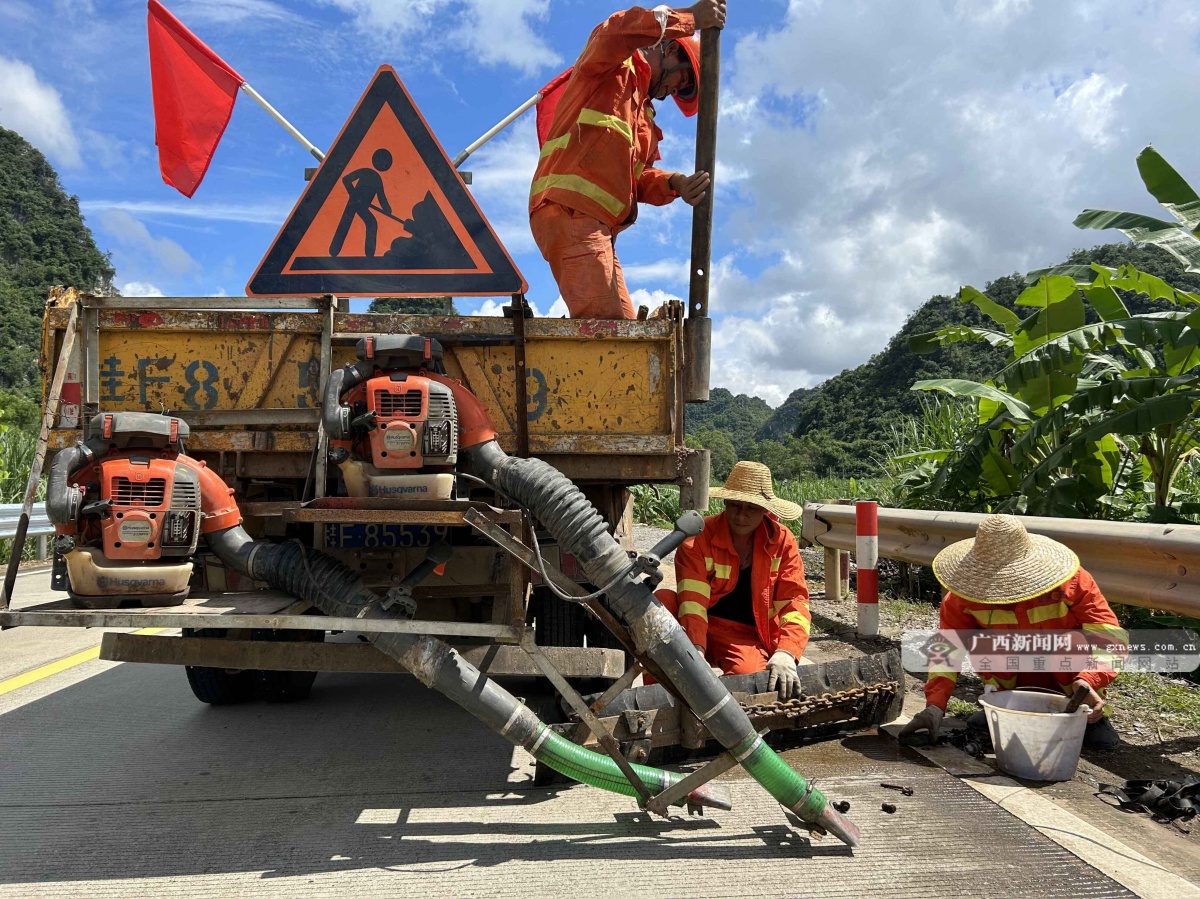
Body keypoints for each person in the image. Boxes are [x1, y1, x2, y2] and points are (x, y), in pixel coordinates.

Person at [529, 1, 726, 320]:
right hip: (570, 210)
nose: (675, 90)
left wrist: (675, 183)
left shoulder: (644, 120)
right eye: (683, 80)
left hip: (596, 225)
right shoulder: (614, 66)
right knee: (610, 335)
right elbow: (615, 31)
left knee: (625, 336)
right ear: (672, 51)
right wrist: (690, 18)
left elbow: (641, 177)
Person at [899, 514, 1126, 751]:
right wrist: (935, 705)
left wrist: (1088, 680)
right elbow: (946, 651)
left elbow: (1112, 638)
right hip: (1011, 691)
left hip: (1072, 690)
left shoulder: (1072, 582)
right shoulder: (961, 599)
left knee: (1071, 643)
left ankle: (1087, 718)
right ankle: (1004, 709)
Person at [654, 461, 811, 699]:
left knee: (749, 679)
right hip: (696, 625)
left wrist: (787, 652)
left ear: (765, 511)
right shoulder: (699, 538)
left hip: (744, 635)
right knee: (661, 603)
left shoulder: (782, 541)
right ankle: (657, 697)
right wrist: (694, 651)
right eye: (735, 506)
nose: (741, 516)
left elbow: (795, 602)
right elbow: (692, 601)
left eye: (751, 508)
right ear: (725, 503)